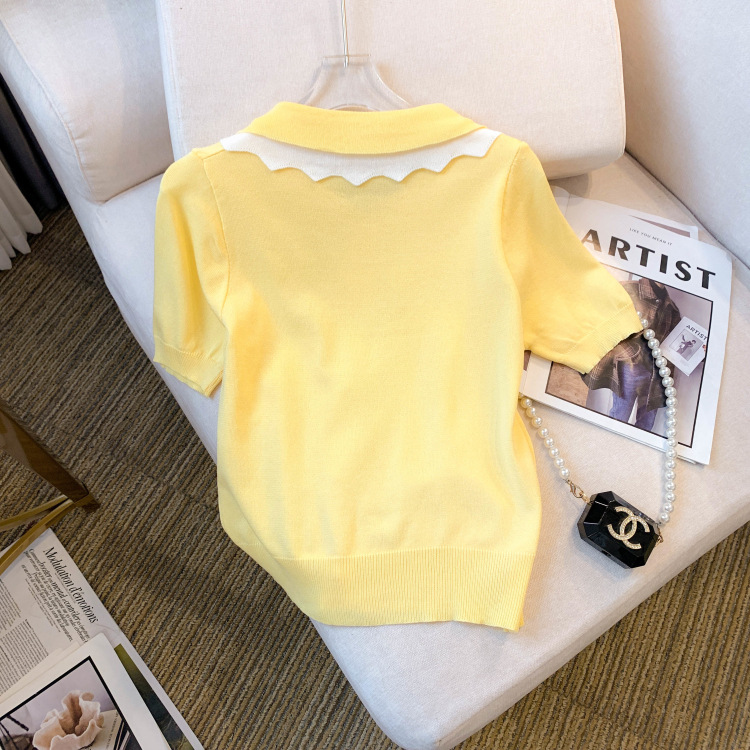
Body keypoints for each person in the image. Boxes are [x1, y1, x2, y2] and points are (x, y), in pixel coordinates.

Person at [581, 277, 682, 431]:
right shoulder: (629, 288)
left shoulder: (671, 308)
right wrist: (624, 351)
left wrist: (699, 352)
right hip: (630, 367)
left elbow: (677, 343)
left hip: (656, 374)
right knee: (619, 417)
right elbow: (601, 314)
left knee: (646, 425)